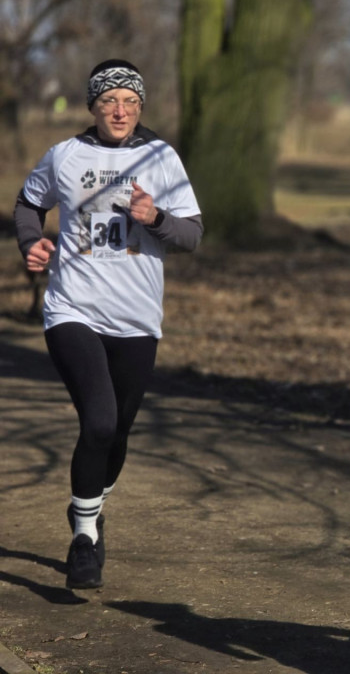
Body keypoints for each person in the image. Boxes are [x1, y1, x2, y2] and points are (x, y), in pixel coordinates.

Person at [13, 59, 203, 590]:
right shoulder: (65, 156)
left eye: (130, 102)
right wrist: (31, 243)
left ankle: (90, 509)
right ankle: (83, 538)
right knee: (98, 422)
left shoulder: (161, 157)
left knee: (118, 430)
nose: (120, 111)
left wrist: (155, 219)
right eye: (109, 101)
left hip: (137, 318)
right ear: (93, 107)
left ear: (140, 107)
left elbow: (192, 235)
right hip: (73, 309)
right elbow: (28, 205)